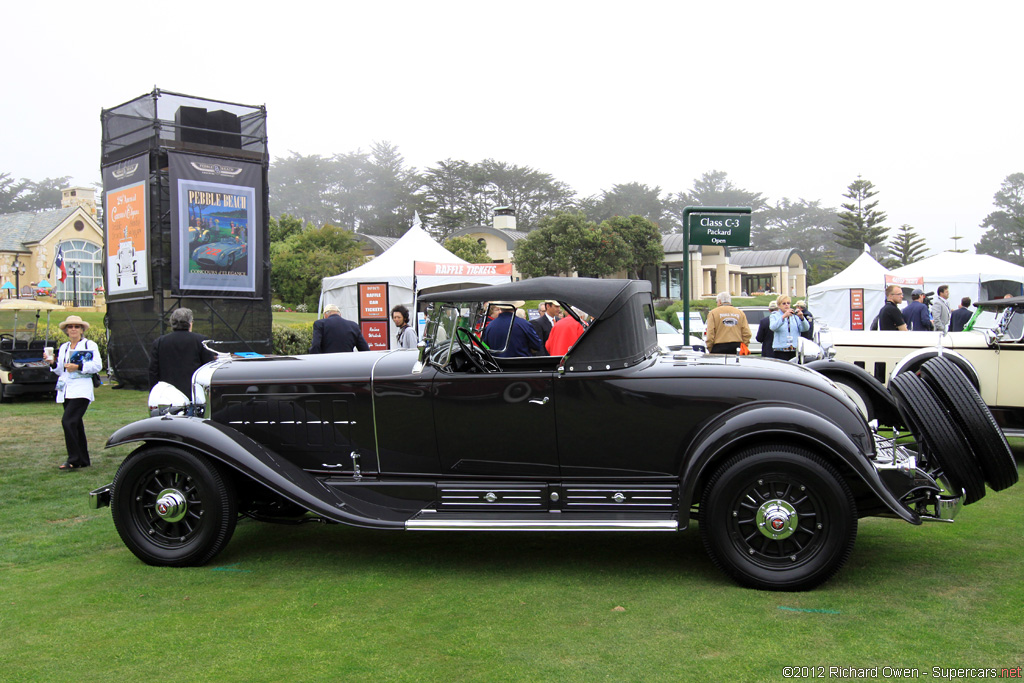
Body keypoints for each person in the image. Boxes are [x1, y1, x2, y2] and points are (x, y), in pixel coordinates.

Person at [47, 315, 102, 470]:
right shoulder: (64, 347)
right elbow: (60, 370)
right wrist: (52, 363)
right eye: (70, 327)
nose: (73, 329)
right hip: (66, 389)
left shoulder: (89, 345)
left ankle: (74, 459)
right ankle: (83, 459)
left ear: (82, 329)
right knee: (76, 424)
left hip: (81, 389)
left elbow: (97, 365)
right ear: (66, 330)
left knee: (68, 421)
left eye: (76, 326)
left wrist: (78, 367)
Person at [149, 307, 218, 398]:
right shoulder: (201, 341)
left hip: (167, 395)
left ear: (172, 323)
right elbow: (208, 368)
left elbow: (153, 371)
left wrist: (155, 393)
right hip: (194, 394)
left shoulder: (159, 342)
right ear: (190, 323)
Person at [768, 296, 810, 361]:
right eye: (784, 303)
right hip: (780, 349)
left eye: (788, 303)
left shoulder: (794, 316)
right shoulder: (774, 315)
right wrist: (784, 316)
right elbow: (773, 327)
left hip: (794, 348)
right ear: (779, 305)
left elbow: (805, 328)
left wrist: (802, 318)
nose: (786, 305)